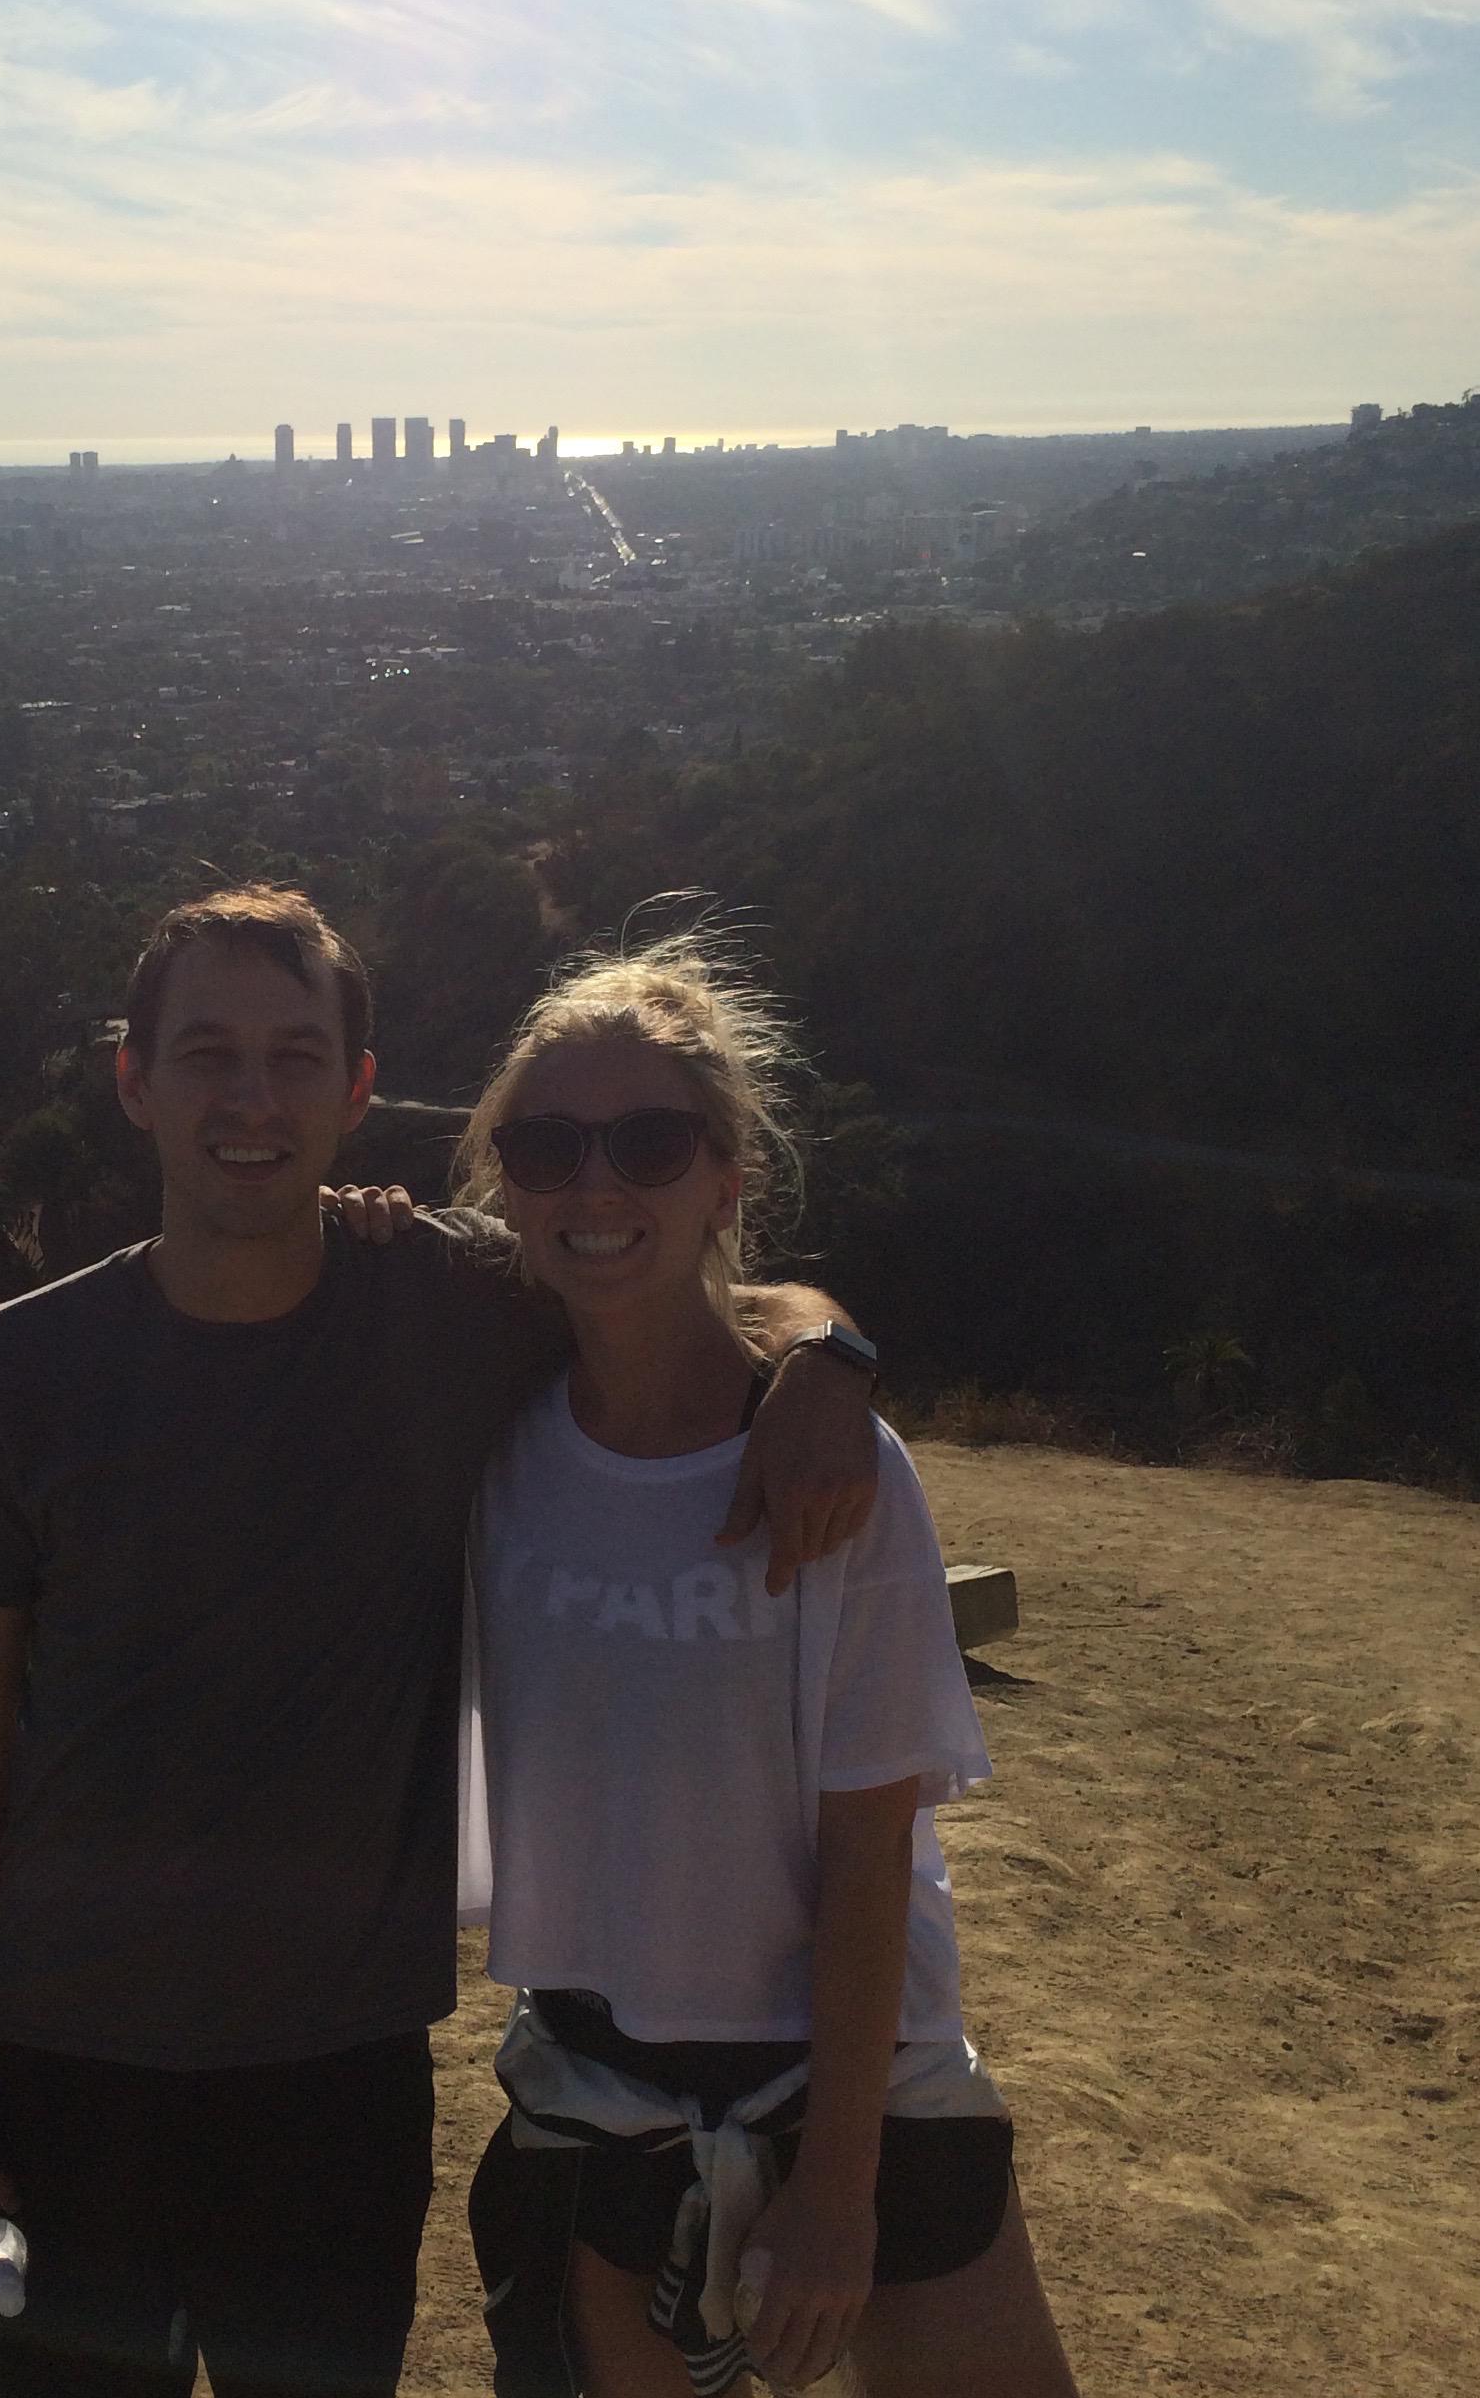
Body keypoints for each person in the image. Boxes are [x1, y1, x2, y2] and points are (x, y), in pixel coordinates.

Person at [0, 885, 886, 2398]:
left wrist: (828, 1355)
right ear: (134, 1080)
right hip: (57, 2066)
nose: (251, 1098)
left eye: (295, 1056)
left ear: (355, 1090)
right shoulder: (13, 1372)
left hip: (336, 2079)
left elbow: (689, 1281)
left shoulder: (447, 1300)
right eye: (207, 1054)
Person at [456, 938, 1080, 2398]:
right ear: (505, 1183)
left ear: (726, 1181)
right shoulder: (487, 1444)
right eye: (546, 1146)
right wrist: (829, 1336)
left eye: (650, 1143)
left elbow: (870, 1850)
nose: (595, 1184)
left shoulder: (836, 1470)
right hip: (604, 2091)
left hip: (866, 2087)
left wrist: (839, 2197)